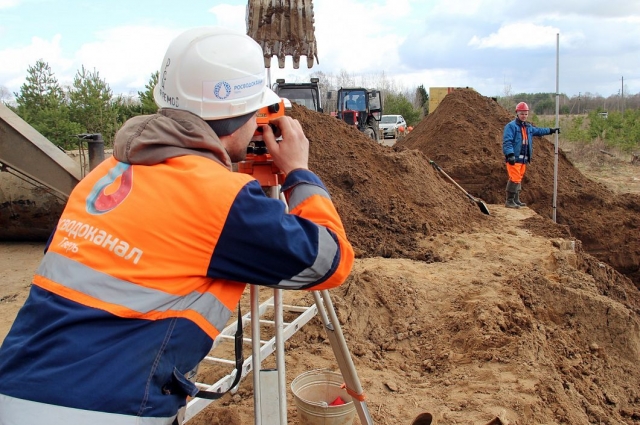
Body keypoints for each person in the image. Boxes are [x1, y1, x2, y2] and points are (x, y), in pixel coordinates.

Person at [0, 27, 355, 425]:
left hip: (14, 387)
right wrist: (298, 173)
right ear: (243, 116)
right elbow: (332, 260)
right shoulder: (220, 199)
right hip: (106, 410)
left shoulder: (106, 173)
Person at [502, 101, 559, 208]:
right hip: (514, 158)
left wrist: (551, 130)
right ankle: (509, 201)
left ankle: (516, 199)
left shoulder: (527, 127)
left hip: (523, 159)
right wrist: (510, 154)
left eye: (526, 114)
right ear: (517, 113)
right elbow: (507, 141)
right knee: (514, 178)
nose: (524, 116)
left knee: (518, 178)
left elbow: (539, 131)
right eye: (522, 113)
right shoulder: (511, 126)